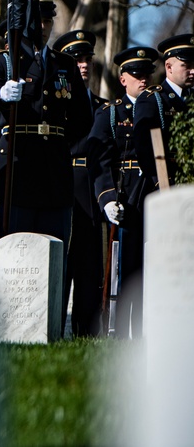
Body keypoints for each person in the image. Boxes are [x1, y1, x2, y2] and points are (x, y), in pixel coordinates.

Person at [0, 0, 92, 306]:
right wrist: (2, 95)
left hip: (54, 173)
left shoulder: (64, 65)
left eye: (47, 19)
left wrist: (61, 143)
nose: (42, 26)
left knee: (52, 256)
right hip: (17, 170)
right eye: (35, 20)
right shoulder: (3, 62)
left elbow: (82, 119)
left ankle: (46, 326)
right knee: (9, 258)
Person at [88, 46, 159, 337]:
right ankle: (122, 331)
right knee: (126, 271)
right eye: (136, 74)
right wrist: (106, 197)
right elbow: (99, 159)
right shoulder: (112, 114)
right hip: (125, 198)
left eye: (146, 74)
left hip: (152, 194)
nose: (142, 79)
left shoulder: (159, 108)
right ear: (123, 79)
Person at [51, 29, 106, 336]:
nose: (83, 65)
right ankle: (54, 328)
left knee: (89, 269)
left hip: (91, 191)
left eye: (87, 59)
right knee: (61, 265)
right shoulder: (57, 104)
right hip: (62, 187)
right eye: (76, 59)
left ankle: (87, 333)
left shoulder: (102, 106)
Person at [133, 34, 194, 187]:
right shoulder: (153, 99)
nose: (193, 71)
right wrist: (161, 183)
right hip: (165, 182)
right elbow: (144, 147)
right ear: (169, 67)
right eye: (187, 66)